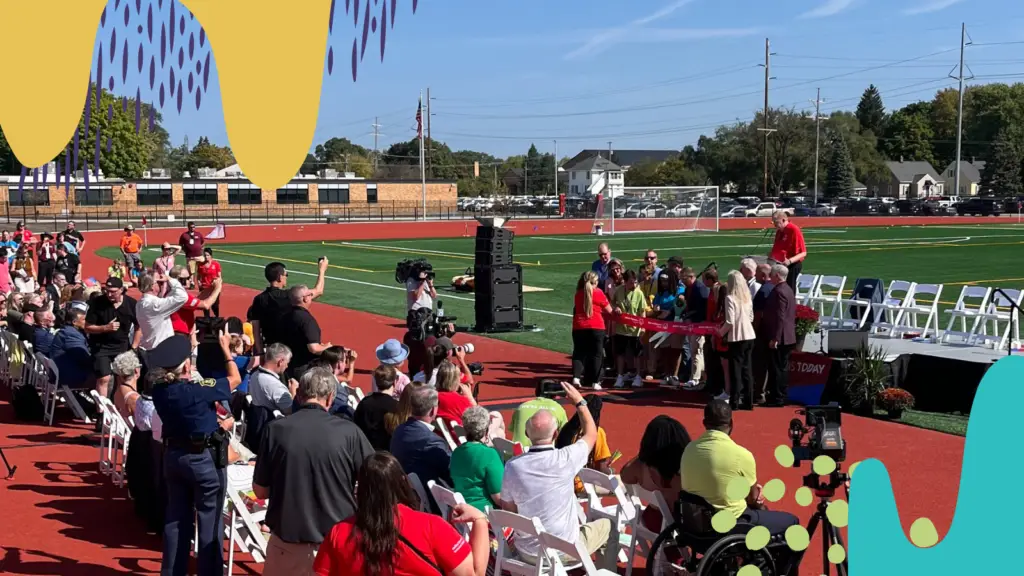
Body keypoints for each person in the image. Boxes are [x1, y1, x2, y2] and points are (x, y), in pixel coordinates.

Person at [254, 366, 374, 576]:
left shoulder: (275, 430)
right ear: (330, 398)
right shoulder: (350, 432)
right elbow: (374, 480)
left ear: (299, 395)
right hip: (337, 545)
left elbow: (260, 492)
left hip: (287, 547)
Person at [150, 332, 241, 576]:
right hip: (204, 461)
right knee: (210, 522)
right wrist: (225, 350)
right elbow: (234, 379)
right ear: (187, 366)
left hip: (174, 457)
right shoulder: (198, 390)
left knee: (176, 521)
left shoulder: (159, 391)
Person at [313, 452, 491, 576]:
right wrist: (480, 520)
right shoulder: (431, 526)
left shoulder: (338, 534)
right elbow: (474, 573)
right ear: (402, 483)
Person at [500, 382, 612, 567]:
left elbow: (509, 509)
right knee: (609, 527)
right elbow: (591, 433)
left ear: (528, 434)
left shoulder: (513, 466)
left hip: (527, 552)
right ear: (555, 434)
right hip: (564, 552)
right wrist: (579, 401)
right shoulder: (565, 459)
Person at [681, 401, 800, 537]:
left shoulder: (688, 450)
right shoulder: (742, 455)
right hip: (731, 526)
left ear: (704, 423)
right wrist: (757, 496)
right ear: (731, 423)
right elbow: (752, 499)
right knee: (792, 522)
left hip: (696, 528)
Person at [620, 416, 692, 532]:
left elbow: (625, 475)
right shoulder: (682, 471)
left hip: (651, 520)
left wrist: (646, 454)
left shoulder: (641, 467)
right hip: (677, 524)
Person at [247, 259, 328, 351]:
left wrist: (260, 352)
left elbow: (256, 331)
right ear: (280, 277)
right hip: (289, 349)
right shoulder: (290, 296)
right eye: (286, 275)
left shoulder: (259, 299)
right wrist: (322, 270)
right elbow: (318, 291)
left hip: (271, 348)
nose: (286, 277)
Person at [390, 385, 453, 493]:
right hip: (430, 496)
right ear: (433, 410)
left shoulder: (399, 430)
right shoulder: (432, 441)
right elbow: (452, 474)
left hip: (405, 490)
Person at [85, 277, 141, 398]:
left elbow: (139, 327)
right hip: (101, 347)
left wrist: (134, 347)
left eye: (113, 291)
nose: (109, 294)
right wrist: (105, 328)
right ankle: (101, 411)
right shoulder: (97, 303)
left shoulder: (131, 304)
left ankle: (121, 407)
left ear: (121, 290)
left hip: (122, 346)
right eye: (107, 291)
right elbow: (88, 327)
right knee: (104, 378)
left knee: (124, 377)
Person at [556, 395, 614, 495]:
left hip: (561, 482)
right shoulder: (597, 432)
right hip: (580, 485)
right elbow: (601, 469)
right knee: (619, 484)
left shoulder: (566, 428)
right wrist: (611, 471)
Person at [450, 405, 504, 512]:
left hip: (461, 509)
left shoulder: (456, 452)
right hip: (485, 514)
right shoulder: (490, 454)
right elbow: (498, 498)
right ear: (486, 430)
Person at [720, 271, 756, 411]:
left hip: (737, 336)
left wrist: (720, 332)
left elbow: (730, 321)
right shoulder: (747, 297)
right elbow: (751, 317)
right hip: (749, 335)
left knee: (736, 370)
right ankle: (748, 401)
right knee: (747, 369)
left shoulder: (730, 298)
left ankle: (734, 401)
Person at [279, 284, 332, 379]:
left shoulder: (285, 316)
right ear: (305, 299)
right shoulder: (307, 320)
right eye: (309, 294)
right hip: (304, 368)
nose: (311, 296)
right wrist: (327, 347)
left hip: (287, 365)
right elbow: (314, 348)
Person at [762, 264, 797, 407]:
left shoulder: (779, 291)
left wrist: (775, 338)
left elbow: (780, 316)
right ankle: (780, 395)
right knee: (782, 367)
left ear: (777, 276)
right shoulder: (788, 289)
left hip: (780, 337)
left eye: (772, 274)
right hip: (787, 336)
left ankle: (777, 397)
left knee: (776, 368)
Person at [572, 271, 612, 390]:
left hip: (579, 326)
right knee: (597, 354)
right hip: (596, 326)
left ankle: (576, 377)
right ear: (595, 282)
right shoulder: (598, 292)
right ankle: (596, 381)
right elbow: (609, 310)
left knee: (579, 353)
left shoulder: (578, 294)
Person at [611, 269, 649, 389]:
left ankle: (638, 376)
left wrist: (643, 327)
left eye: (635, 282)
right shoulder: (619, 290)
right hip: (621, 328)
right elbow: (612, 303)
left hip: (635, 330)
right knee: (620, 353)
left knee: (637, 354)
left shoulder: (639, 293)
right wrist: (616, 307)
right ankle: (620, 376)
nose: (634, 285)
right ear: (625, 282)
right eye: (631, 283)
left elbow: (642, 311)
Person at [135, 271, 188, 351]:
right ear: (152, 286)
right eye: (160, 283)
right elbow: (182, 297)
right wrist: (169, 279)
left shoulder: (140, 303)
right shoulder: (155, 305)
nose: (162, 284)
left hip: (149, 348)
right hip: (161, 350)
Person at [353, 364, 401, 450]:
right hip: (388, 456)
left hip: (365, 452)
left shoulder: (364, 403)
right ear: (394, 382)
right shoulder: (397, 407)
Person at [509, 380, 568, 448]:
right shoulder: (559, 409)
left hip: (517, 454)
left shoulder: (521, 407)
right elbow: (565, 436)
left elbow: (514, 430)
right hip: (544, 454)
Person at [248, 343, 297, 414]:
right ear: (281, 362)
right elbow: (289, 412)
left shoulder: (255, 375)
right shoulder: (275, 385)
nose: (287, 366)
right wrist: (293, 392)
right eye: (287, 363)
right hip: (274, 422)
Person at [683, 266, 709, 388]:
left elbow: (703, 308)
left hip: (698, 324)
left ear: (691, 277)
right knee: (695, 350)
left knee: (697, 350)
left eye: (684, 278)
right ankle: (698, 376)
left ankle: (696, 378)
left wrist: (691, 317)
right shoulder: (689, 288)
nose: (682, 281)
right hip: (692, 324)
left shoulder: (699, 289)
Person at [768, 210, 806, 291]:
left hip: (792, 264)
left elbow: (803, 252)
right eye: (774, 222)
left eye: (776, 222)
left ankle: (790, 303)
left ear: (783, 220)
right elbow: (777, 248)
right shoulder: (779, 231)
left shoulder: (793, 230)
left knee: (789, 288)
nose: (774, 225)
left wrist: (789, 261)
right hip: (779, 264)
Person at [435, 360, 477, 425]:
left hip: (440, 432)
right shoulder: (460, 400)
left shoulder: (431, 396)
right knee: (496, 416)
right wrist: (470, 398)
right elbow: (479, 420)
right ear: (455, 380)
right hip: (459, 433)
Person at [196, 248, 222, 317]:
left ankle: (217, 317)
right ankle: (207, 319)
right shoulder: (201, 265)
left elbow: (219, 276)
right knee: (205, 306)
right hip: (205, 288)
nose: (206, 257)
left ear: (211, 256)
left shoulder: (216, 264)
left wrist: (218, 285)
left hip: (213, 288)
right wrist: (199, 282)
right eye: (205, 255)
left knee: (215, 305)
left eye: (207, 255)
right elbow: (198, 276)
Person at [178, 221, 205, 287]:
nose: (193, 228)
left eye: (194, 227)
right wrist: (185, 251)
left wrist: (200, 248)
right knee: (191, 271)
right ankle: (192, 283)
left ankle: (201, 282)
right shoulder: (184, 235)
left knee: (201, 269)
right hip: (190, 256)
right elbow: (181, 244)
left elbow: (203, 242)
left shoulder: (198, 234)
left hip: (199, 255)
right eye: (191, 227)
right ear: (188, 227)